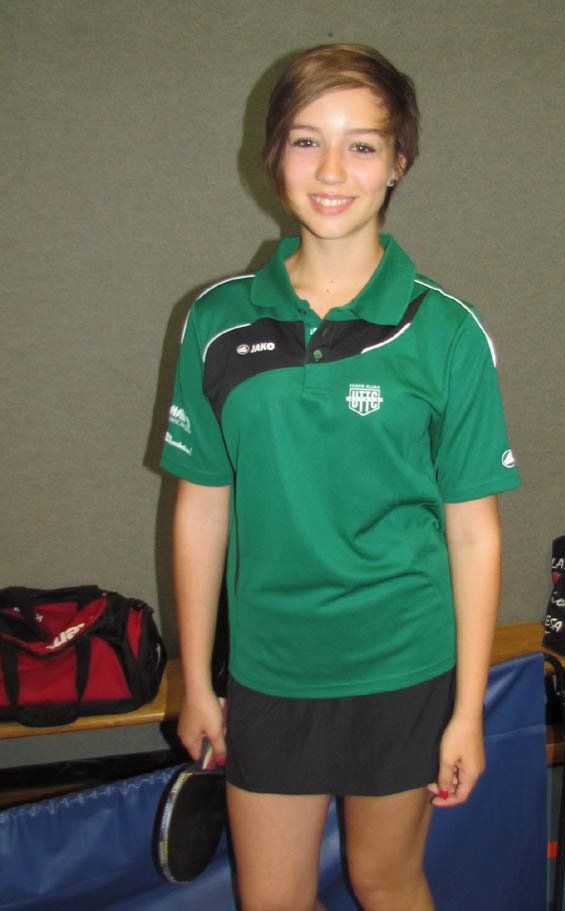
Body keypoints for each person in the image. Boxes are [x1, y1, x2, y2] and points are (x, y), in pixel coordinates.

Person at [160, 43, 520, 911]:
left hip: (403, 664)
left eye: (362, 145)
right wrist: (196, 679)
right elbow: (201, 509)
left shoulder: (446, 331)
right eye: (305, 140)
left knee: (383, 880)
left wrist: (467, 709)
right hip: (271, 668)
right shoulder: (216, 322)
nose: (331, 170)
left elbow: (474, 531)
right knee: (272, 900)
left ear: (399, 162)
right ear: (273, 155)